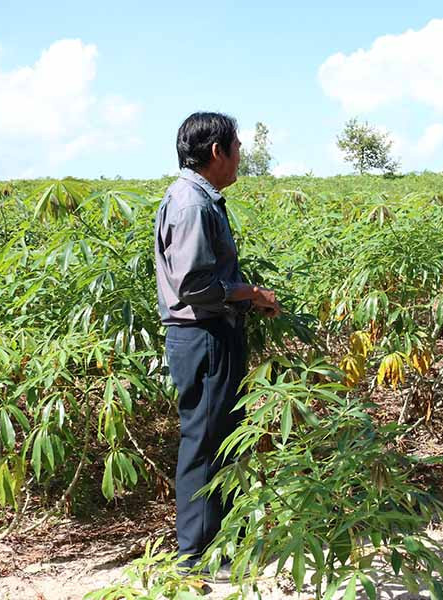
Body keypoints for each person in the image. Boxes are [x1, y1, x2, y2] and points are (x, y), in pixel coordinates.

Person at [154, 112, 280, 571]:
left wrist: (247, 302)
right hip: (202, 336)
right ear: (216, 152)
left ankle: (223, 543)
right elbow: (194, 286)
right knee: (205, 442)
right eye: (238, 148)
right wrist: (251, 293)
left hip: (211, 333)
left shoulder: (198, 197)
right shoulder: (192, 203)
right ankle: (194, 555)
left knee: (222, 437)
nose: (240, 158)